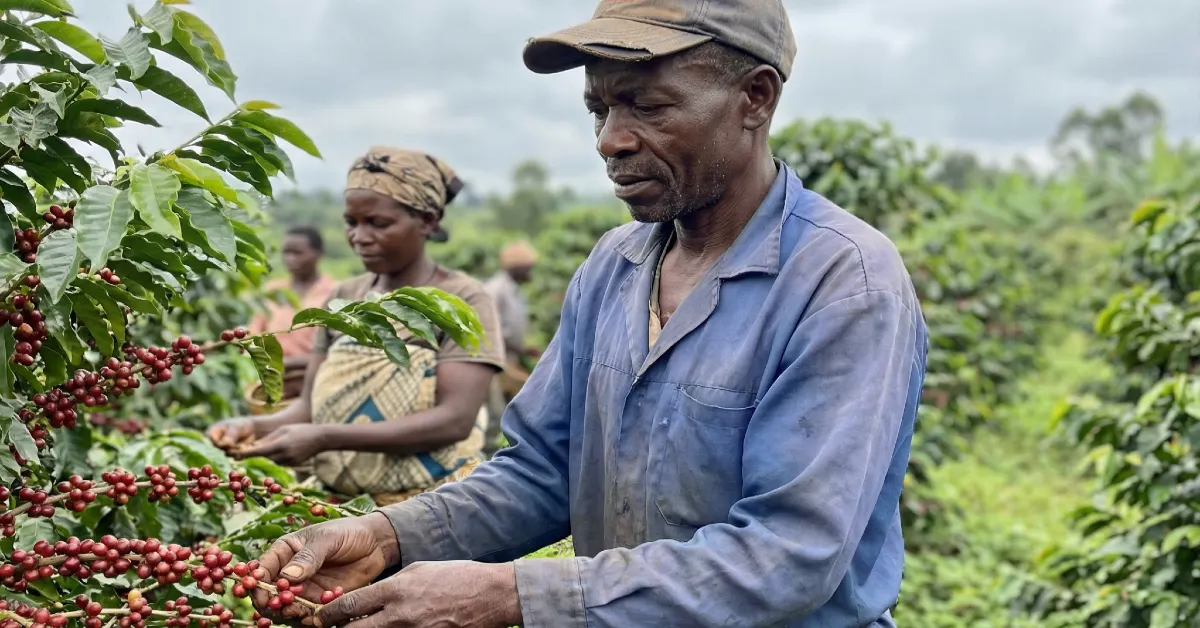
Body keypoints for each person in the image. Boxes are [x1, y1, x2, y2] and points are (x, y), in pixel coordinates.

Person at [249, 1, 928, 626]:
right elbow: (545, 470)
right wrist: (387, 534)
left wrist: (508, 593)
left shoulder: (844, 282)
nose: (610, 139)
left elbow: (788, 555)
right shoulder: (614, 268)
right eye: (598, 110)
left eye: (648, 107)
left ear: (754, 98)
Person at [207, 146, 507, 506]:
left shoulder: (463, 300)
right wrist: (251, 428)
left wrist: (323, 438)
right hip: (339, 505)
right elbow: (309, 407)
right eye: (351, 223)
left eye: (378, 224)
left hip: (430, 504)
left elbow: (453, 420)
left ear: (427, 222)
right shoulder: (344, 297)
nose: (360, 237)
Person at [246, 226, 337, 400]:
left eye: (298, 253)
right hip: (272, 385)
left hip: (317, 384)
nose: (290, 259)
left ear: (318, 254)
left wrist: (288, 363)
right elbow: (253, 335)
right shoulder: (272, 291)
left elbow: (336, 350)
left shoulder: (334, 293)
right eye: (286, 253)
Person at [481, 241, 538, 457]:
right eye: (527, 268)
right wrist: (517, 349)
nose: (530, 273)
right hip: (494, 360)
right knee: (495, 414)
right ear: (516, 268)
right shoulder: (496, 290)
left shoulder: (514, 291)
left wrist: (523, 349)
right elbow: (490, 328)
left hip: (509, 358)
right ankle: (489, 458)